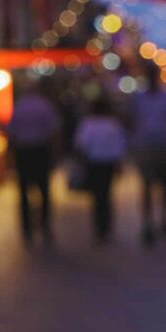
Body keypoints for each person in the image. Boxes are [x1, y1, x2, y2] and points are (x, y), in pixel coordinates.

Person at [7, 79, 61, 245]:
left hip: (24, 152)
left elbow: (11, 133)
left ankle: (27, 229)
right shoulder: (44, 106)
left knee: (24, 192)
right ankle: (44, 226)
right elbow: (54, 130)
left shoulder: (19, 107)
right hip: (40, 151)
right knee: (43, 191)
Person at [130, 63, 166, 246]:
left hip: (162, 145)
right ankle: (148, 222)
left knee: (165, 185)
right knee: (147, 185)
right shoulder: (138, 99)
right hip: (146, 145)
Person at [74, 92, 127, 243]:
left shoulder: (88, 124)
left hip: (94, 163)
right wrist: (119, 163)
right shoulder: (112, 124)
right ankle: (105, 225)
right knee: (106, 193)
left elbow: (80, 144)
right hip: (107, 163)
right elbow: (120, 145)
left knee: (98, 195)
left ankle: (100, 226)